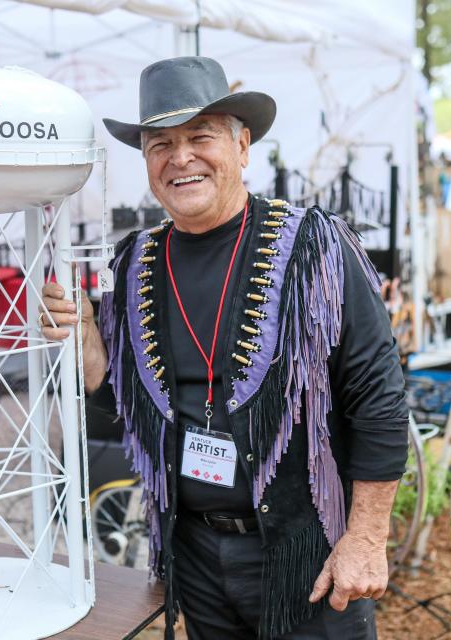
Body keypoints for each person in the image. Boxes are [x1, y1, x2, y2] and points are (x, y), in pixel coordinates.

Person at [41, 57, 408, 640]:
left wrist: (366, 539)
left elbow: (379, 400)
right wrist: (85, 334)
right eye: (161, 143)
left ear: (242, 146)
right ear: (146, 162)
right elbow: (120, 406)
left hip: (306, 555)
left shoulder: (318, 248)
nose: (180, 157)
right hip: (195, 555)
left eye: (200, 137)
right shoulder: (133, 262)